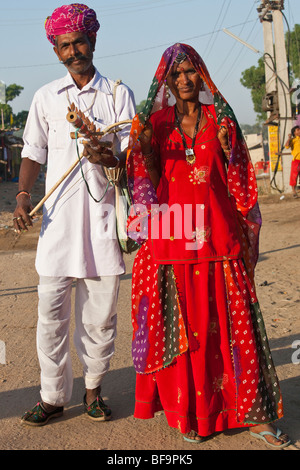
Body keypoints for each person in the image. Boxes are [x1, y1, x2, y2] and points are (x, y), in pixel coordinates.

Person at [126, 43, 291, 448]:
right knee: (189, 336)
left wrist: (231, 146)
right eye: (175, 74)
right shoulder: (154, 122)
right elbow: (146, 185)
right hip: (172, 242)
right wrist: (145, 146)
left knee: (236, 331)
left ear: (201, 75)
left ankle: (254, 417)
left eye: (190, 71)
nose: (183, 80)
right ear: (165, 81)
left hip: (218, 240)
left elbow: (240, 184)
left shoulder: (222, 119)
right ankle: (192, 414)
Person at [13, 4, 135, 426]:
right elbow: (33, 151)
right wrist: (24, 194)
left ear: (93, 40)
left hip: (102, 224)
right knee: (51, 318)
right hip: (57, 229)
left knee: (100, 318)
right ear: (56, 50)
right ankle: (51, 397)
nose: (72, 51)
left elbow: (129, 158)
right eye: (64, 45)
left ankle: (93, 392)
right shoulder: (46, 97)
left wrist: (105, 153)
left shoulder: (119, 95)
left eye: (78, 41)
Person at [285, 125, 300, 197]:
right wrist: (289, 138)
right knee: (294, 176)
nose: (299, 131)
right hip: (296, 161)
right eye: (298, 130)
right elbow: (287, 146)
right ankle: (293, 191)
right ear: (294, 132)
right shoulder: (293, 140)